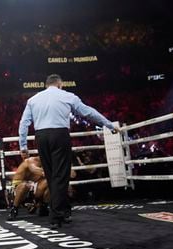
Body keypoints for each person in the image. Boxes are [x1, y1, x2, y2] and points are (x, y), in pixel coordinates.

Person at [18, 74, 118, 229]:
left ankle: (64, 211)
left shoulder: (33, 99)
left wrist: (23, 146)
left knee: (52, 176)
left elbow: (24, 123)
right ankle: (56, 215)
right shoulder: (67, 96)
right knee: (61, 175)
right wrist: (109, 124)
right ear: (60, 84)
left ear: (46, 85)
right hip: (59, 135)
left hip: (41, 137)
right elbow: (88, 112)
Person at [8, 156, 49, 220]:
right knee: (25, 185)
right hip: (18, 189)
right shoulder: (30, 161)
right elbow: (34, 170)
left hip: (32, 190)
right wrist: (51, 171)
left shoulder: (47, 163)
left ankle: (42, 207)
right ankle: (14, 209)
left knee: (49, 182)